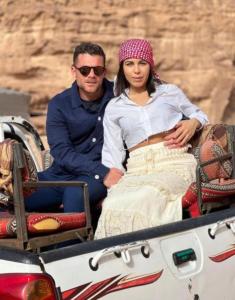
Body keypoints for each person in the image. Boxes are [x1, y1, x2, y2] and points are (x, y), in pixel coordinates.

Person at [95, 39, 208, 239]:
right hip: (137, 168)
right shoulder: (114, 106)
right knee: (112, 204)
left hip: (173, 161)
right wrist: (113, 176)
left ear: (150, 65)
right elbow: (113, 152)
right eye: (130, 64)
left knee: (149, 196)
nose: (136, 71)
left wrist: (193, 123)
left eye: (142, 63)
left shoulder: (169, 92)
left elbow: (200, 115)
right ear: (122, 68)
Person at [25, 42, 123, 213]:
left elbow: (155, 95)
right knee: (18, 192)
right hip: (63, 174)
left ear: (104, 72)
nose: (91, 75)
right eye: (85, 70)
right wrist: (103, 172)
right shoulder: (59, 104)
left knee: (75, 193)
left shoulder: (119, 96)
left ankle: (76, 241)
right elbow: (61, 152)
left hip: (97, 177)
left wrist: (187, 122)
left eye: (97, 70)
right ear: (73, 71)